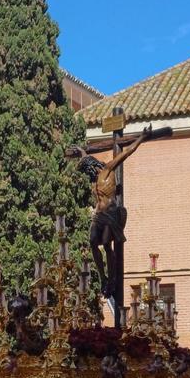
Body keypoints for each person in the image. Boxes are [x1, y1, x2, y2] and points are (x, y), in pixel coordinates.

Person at [75, 125, 155, 299]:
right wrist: (82, 153)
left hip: (110, 214)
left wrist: (142, 137)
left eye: (90, 172)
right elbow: (86, 160)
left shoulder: (108, 169)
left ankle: (112, 279)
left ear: (94, 167)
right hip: (98, 216)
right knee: (92, 242)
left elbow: (126, 153)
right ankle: (103, 277)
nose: (90, 177)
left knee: (105, 243)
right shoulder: (95, 180)